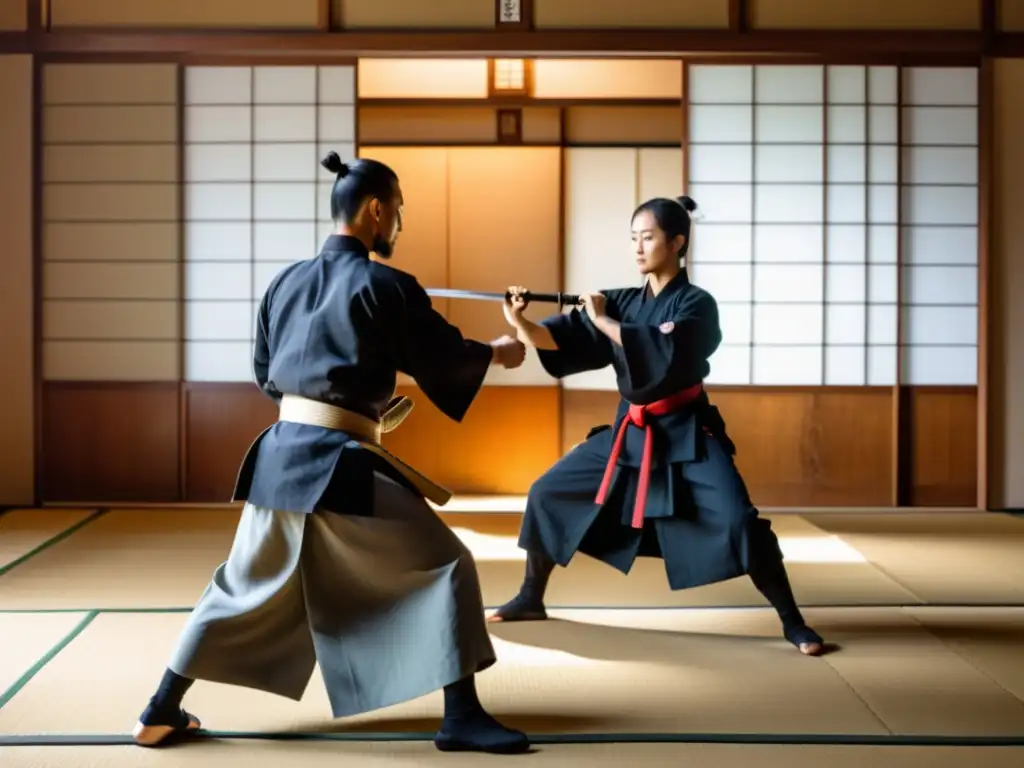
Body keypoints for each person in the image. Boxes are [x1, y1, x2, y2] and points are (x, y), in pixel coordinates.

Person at [131, 151, 532, 755]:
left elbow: (268, 375)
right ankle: (462, 717)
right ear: (375, 210)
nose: (399, 224)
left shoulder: (284, 281)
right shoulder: (386, 285)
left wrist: (341, 407)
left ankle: (161, 708)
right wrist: (501, 350)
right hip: (338, 465)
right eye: (397, 211)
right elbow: (443, 356)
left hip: (278, 458)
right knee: (447, 565)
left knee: (242, 585)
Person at [488, 195, 825, 658]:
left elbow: (657, 348)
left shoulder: (696, 304)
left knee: (740, 522)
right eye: (633, 238)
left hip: (686, 432)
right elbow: (560, 340)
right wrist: (520, 320)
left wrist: (603, 318)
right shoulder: (625, 301)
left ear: (677, 242)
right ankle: (531, 596)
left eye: (648, 237)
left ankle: (793, 621)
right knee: (548, 491)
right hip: (631, 431)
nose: (638, 247)